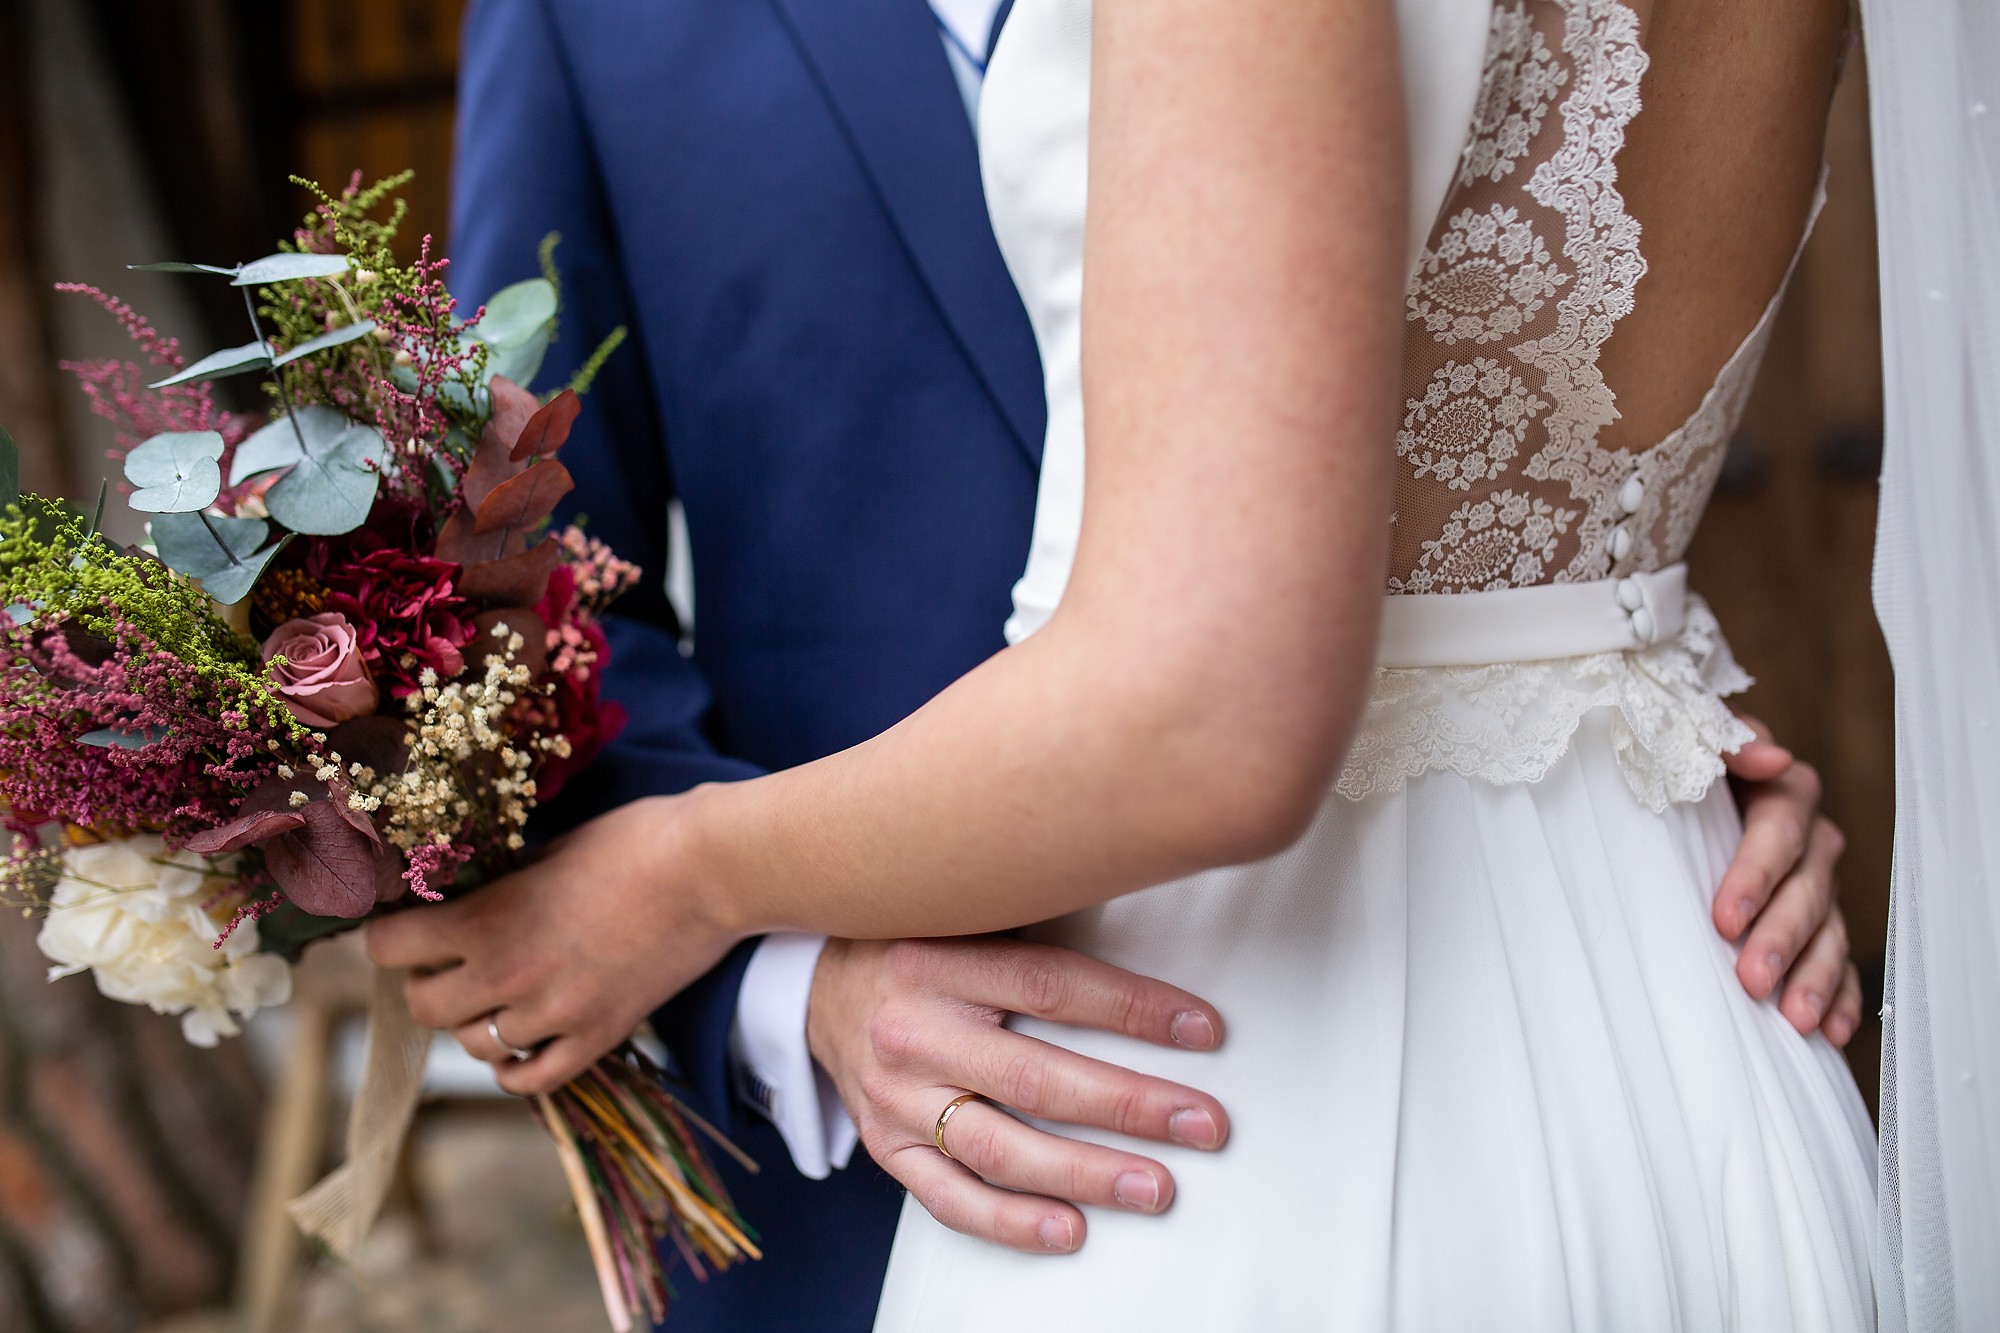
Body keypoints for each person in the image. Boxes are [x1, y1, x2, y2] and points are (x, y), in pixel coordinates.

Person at [396, 0, 1869, 1327]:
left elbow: (1218, 708)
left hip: (1212, 1110)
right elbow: (519, 580)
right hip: (1668, 1024)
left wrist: (685, 875)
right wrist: (1634, 720)